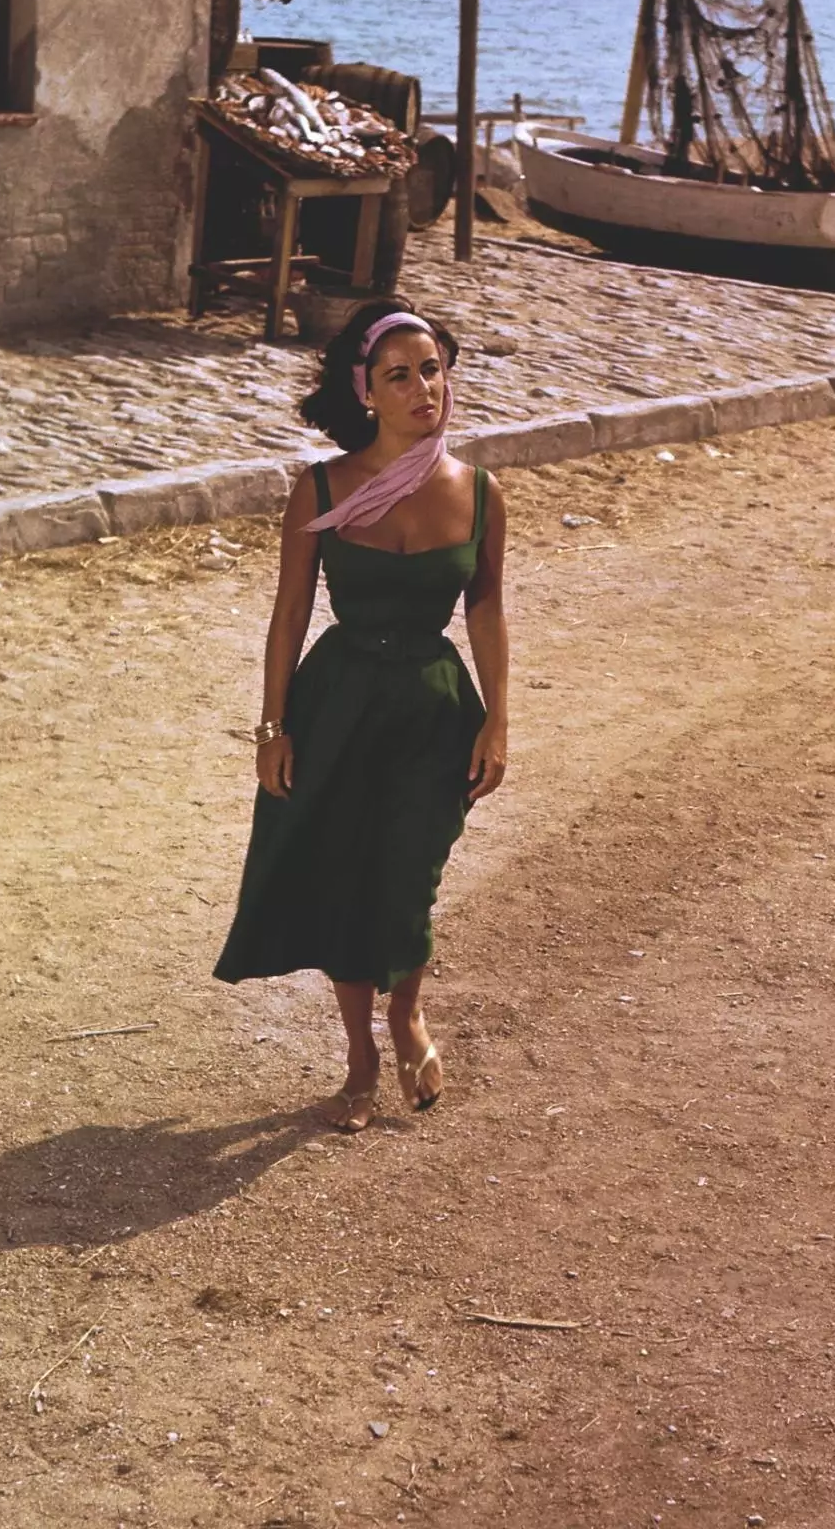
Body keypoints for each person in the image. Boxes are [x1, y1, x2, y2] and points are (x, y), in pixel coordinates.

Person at [213, 302, 510, 1131]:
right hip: (337, 703)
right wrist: (273, 729)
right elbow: (287, 615)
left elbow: (485, 611)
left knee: (409, 873)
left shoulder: (481, 494)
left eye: (433, 370)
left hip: (433, 707)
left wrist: (498, 721)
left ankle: (405, 1011)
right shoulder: (319, 487)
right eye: (400, 376)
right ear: (365, 393)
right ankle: (358, 1057)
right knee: (345, 875)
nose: (424, 389)